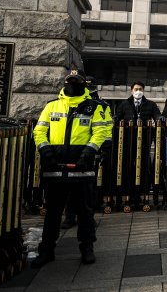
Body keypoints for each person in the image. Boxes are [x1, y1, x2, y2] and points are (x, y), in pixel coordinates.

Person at [31, 68, 113, 268]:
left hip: (82, 168)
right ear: (65, 82)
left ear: (84, 84)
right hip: (55, 168)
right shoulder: (52, 106)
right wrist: (46, 152)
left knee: (85, 212)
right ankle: (47, 250)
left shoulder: (95, 107)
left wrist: (88, 153)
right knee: (53, 212)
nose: (72, 84)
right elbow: (39, 130)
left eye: (76, 81)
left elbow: (101, 132)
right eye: (70, 80)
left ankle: (87, 248)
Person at [61, 75, 112, 230]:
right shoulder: (68, 101)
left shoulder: (101, 105)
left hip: (91, 151)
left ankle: (88, 217)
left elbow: (106, 128)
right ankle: (69, 216)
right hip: (70, 151)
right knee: (68, 186)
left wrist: (105, 149)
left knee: (88, 188)